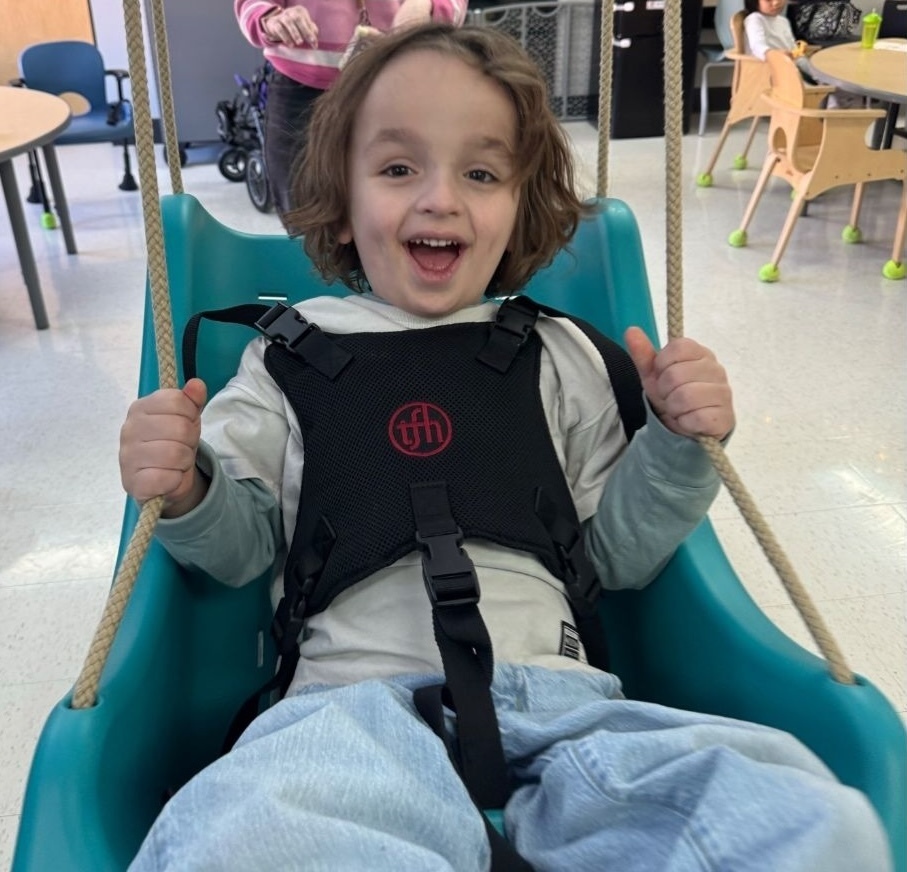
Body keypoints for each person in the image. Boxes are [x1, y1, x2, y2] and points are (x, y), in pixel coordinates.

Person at [120, 23, 892, 871]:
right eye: (397, 168)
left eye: (481, 174)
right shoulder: (284, 358)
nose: (440, 200)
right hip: (349, 710)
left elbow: (614, 557)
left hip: (567, 708)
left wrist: (675, 442)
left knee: (800, 819)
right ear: (339, 200)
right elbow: (237, 555)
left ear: (521, 207)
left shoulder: (558, 353)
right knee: (251, 839)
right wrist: (187, 486)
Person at [234, 0, 466, 225]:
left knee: (400, 210)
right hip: (302, 87)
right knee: (301, 215)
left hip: (395, 83)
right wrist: (271, 19)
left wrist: (428, 6)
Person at [743, 0, 862, 105]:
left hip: (792, 64)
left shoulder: (782, 21)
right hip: (774, 70)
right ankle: (831, 101)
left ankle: (832, 94)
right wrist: (774, 54)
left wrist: (800, 55)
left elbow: (792, 46)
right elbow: (757, 46)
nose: (776, 2)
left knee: (825, 74)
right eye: (768, 0)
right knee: (825, 83)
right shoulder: (755, 19)